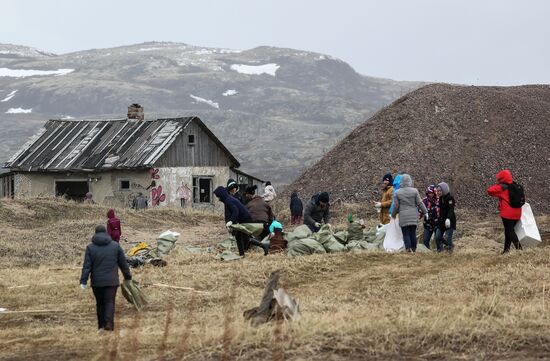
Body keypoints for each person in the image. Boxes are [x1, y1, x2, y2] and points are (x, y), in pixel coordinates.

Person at [80, 225, 132, 331]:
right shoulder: (115, 246)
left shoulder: (90, 248)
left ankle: (101, 326)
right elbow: (123, 263)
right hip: (112, 281)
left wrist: (83, 281)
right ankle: (109, 323)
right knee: (109, 302)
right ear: (106, 233)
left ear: (95, 234)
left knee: (100, 303)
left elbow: (87, 266)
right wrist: (128, 276)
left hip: (97, 282)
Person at [214, 186, 268, 256]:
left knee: (245, 238)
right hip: (243, 219)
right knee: (238, 237)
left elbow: (235, 211)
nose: (218, 199)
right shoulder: (228, 199)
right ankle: (242, 254)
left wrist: (231, 221)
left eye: (218, 196)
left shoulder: (228, 200)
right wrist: (233, 223)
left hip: (245, 219)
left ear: (222, 195)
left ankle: (263, 246)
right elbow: (236, 212)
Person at [487, 169, 523, 253]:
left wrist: (499, 184)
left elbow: (490, 190)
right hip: (517, 213)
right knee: (508, 231)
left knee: (510, 232)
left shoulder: (503, 188)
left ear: (501, 178)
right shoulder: (516, 186)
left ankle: (520, 250)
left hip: (507, 214)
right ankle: (506, 250)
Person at [391, 174, 428, 252]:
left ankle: (408, 249)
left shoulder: (397, 193)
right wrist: (426, 212)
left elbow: (396, 206)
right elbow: (420, 203)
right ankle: (414, 249)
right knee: (412, 233)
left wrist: (393, 214)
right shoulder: (415, 191)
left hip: (403, 217)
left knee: (406, 233)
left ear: (401, 182)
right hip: (413, 216)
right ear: (410, 181)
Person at [435, 182, 457, 253]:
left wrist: (448, 218)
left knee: (448, 238)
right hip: (441, 221)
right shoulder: (441, 199)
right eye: (437, 191)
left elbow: (451, 210)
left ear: (444, 190)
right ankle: (443, 249)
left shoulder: (450, 198)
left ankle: (449, 251)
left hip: (449, 221)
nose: (438, 192)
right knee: (438, 236)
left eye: (440, 191)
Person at [420, 185, 440, 249]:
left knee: (438, 238)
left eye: (431, 193)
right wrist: (419, 216)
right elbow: (420, 211)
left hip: (437, 223)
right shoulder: (424, 200)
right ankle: (427, 252)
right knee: (425, 240)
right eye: (429, 193)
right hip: (428, 224)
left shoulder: (439, 200)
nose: (430, 194)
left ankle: (441, 252)